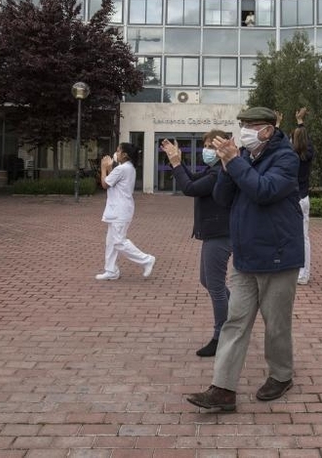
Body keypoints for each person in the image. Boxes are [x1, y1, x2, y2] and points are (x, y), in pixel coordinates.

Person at [185, 106, 303, 413]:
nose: (245, 131)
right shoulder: (246, 158)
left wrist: (235, 162)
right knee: (235, 322)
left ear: (267, 130)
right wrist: (226, 166)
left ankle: (281, 375)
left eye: (251, 126)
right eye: (243, 126)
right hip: (246, 255)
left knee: (276, 323)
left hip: (278, 255)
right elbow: (224, 199)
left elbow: (263, 190)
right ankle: (223, 388)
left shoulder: (286, 158)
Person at [160, 134, 232, 357]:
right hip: (213, 233)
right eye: (205, 145)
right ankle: (235, 319)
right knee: (207, 281)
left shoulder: (220, 172)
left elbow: (189, 188)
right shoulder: (213, 170)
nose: (207, 150)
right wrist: (179, 162)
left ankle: (222, 335)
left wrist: (174, 163)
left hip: (220, 234)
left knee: (216, 286)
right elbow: (192, 181)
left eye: (211, 146)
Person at [94, 143, 156, 281]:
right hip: (119, 209)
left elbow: (105, 184)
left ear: (125, 155)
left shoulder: (122, 169)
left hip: (120, 210)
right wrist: (109, 169)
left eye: (118, 151)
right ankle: (111, 270)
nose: (115, 153)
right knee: (111, 241)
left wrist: (103, 168)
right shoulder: (127, 168)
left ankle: (146, 260)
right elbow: (112, 181)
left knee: (118, 241)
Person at [290, 108, 314, 285]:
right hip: (304, 198)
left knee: (291, 235)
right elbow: (307, 141)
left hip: (292, 199)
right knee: (304, 236)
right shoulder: (308, 155)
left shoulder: (289, 157)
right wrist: (300, 122)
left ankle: (297, 272)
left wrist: (275, 125)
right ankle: (303, 274)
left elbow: (277, 142)